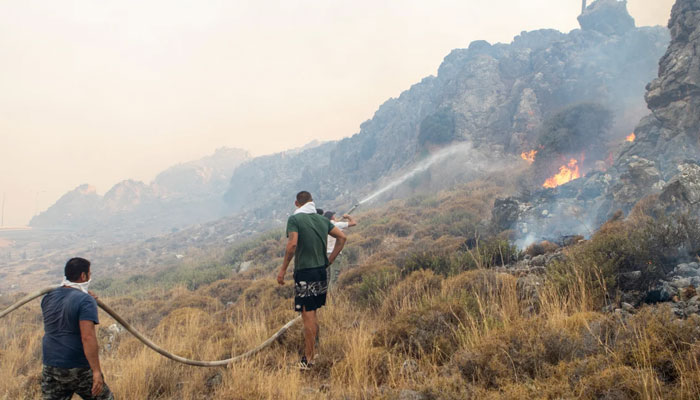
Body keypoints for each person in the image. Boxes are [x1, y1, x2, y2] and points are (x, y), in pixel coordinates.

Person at [277, 191, 346, 369]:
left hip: (305, 273)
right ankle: (314, 352)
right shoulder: (322, 220)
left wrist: (283, 269)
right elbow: (342, 237)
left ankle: (309, 359)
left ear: (296, 203)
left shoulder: (295, 219)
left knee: (307, 315)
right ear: (312, 202)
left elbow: (292, 245)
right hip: (320, 273)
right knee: (313, 312)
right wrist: (328, 261)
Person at [41, 257, 114, 400]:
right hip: (76, 365)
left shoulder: (47, 298)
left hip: (50, 364)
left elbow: (63, 315)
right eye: (89, 274)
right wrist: (96, 372)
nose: (90, 276)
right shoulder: (85, 301)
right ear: (83, 276)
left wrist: (86, 297)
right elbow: (87, 337)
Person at [323, 211, 357, 287]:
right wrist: (348, 216)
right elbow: (353, 223)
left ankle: (326, 297)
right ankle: (333, 297)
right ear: (332, 217)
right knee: (334, 278)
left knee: (327, 278)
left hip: (325, 254)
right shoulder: (337, 225)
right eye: (333, 215)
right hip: (335, 254)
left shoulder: (323, 226)